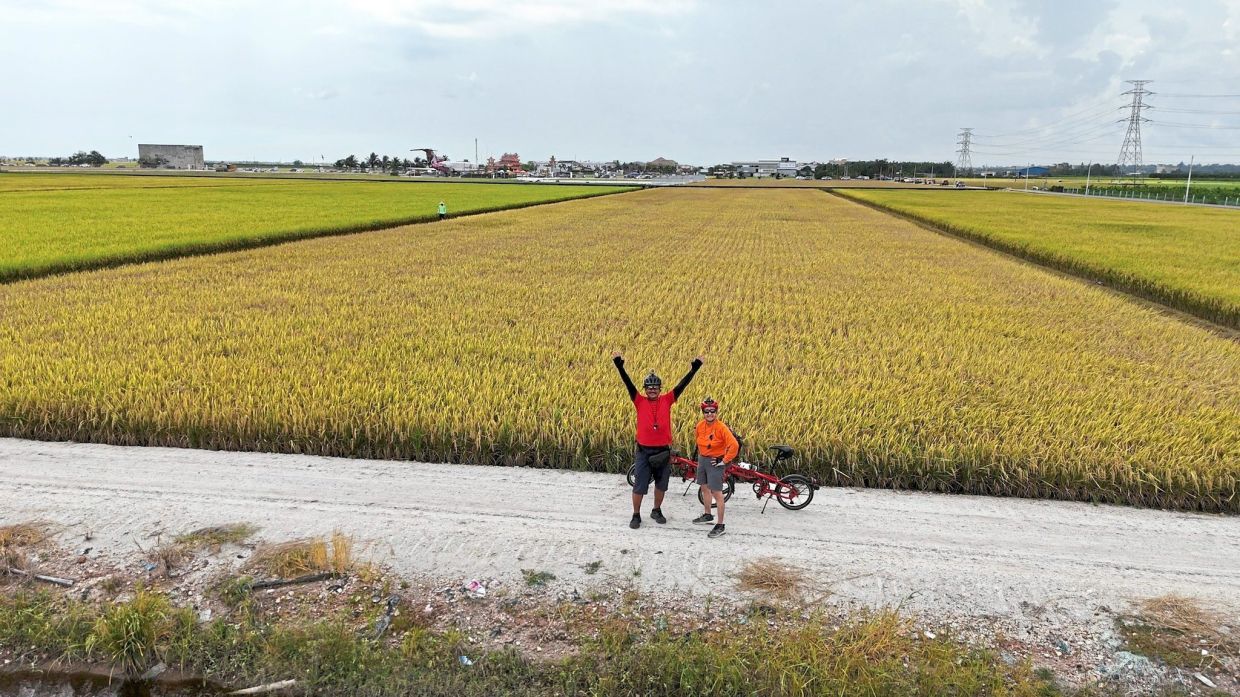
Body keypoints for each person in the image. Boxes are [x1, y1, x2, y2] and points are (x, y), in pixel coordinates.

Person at [612, 352, 703, 529]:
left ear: (660, 389)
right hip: (644, 452)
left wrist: (694, 369)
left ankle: (656, 510)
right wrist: (620, 367)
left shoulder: (667, 400)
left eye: (655, 387)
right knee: (639, 486)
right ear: (645, 389)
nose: (652, 390)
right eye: (649, 387)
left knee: (661, 485)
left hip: (662, 451)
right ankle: (636, 515)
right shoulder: (639, 400)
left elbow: (682, 386)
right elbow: (628, 384)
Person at [691, 397, 738, 539]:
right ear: (703, 413)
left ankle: (720, 525)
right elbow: (698, 440)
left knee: (717, 493)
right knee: (704, 488)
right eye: (707, 411)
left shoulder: (721, 427)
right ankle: (707, 515)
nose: (710, 414)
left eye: (712, 411)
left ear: (716, 412)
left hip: (714, 462)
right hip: (702, 459)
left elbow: (734, 445)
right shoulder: (700, 426)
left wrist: (724, 460)